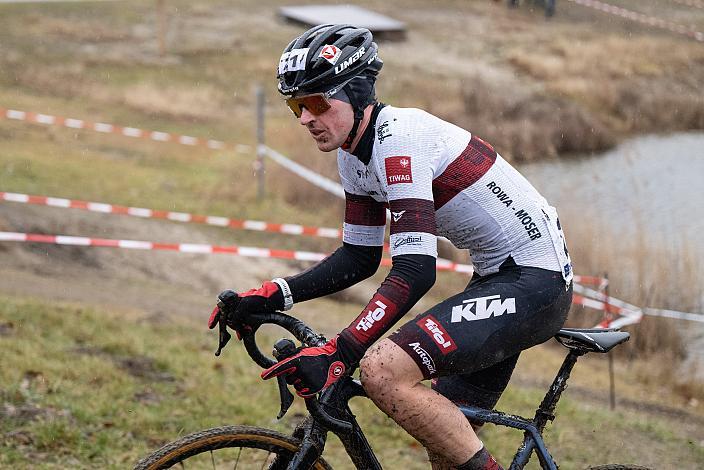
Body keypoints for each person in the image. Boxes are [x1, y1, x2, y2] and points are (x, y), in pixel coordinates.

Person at [208, 24, 573, 470]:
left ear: (358, 94)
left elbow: (416, 270)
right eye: (296, 105)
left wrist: (341, 351)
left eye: (318, 102)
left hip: (535, 282)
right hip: (497, 278)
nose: (305, 118)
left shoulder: (400, 143)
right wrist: (273, 292)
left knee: (382, 370)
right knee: (448, 448)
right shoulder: (352, 152)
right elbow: (359, 257)